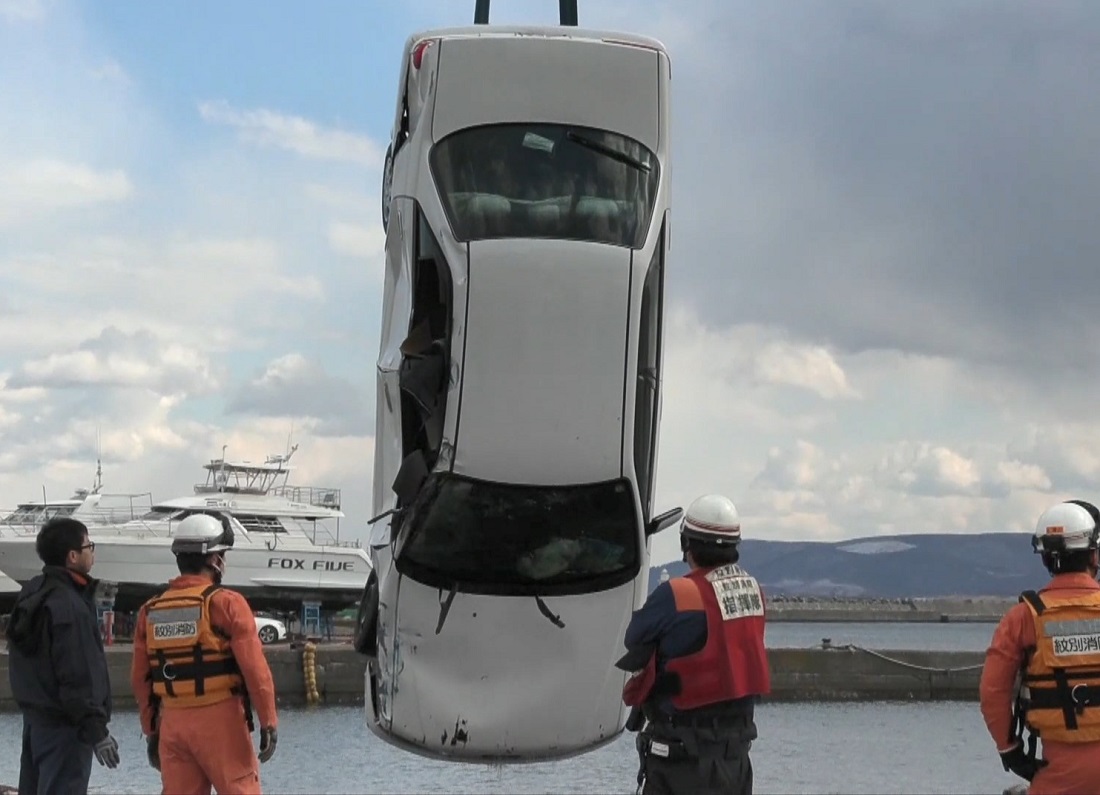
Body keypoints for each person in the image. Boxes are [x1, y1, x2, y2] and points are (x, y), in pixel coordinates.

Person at [617, 495, 770, 795]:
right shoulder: (754, 594)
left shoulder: (678, 594)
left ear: (687, 543)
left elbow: (633, 637)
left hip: (681, 765)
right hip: (736, 763)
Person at [130, 512, 279, 795]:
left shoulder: (150, 611)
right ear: (215, 559)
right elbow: (255, 670)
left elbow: (141, 679)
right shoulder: (226, 604)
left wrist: (151, 731)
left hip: (172, 723)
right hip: (221, 722)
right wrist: (268, 721)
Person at [980, 499, 1100, 795]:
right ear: (1094, 555)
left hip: (1058, 774)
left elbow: (992, 692)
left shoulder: (1023, 618)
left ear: (1045, 558)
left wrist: (1010, 751)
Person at [5, 517, 120, 794]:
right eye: (89, 545)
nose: (92, 552)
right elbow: (76, 673)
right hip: (66, 728)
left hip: (35, 724)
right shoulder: (68, 605)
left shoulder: (33, 592)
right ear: (72, 556)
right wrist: (97, 731)